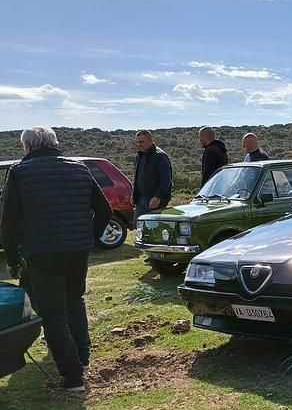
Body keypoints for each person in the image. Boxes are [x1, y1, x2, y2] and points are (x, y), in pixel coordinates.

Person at [1, 127, 112, 392]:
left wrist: (13, 258)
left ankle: (73, 377)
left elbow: (9, 221)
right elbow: (105, 210)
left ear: (28, 147)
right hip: (77, 250)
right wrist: (90, 239)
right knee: (75, 301)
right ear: (54, 143)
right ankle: (82, 357)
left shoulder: (19, 172)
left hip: (42, 252)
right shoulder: (79, 169)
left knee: (53, 313)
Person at [131, 130, 172, 222]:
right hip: (140, 199)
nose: (139, 144)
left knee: (154, 227)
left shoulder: (160, 156)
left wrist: (158, 197)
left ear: (150, 140)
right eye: (137, 142)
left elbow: (166, 179)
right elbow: (137, 176)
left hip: (154, 200)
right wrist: (133, 194)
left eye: (141, 141)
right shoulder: (140, 156)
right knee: (139, 225)